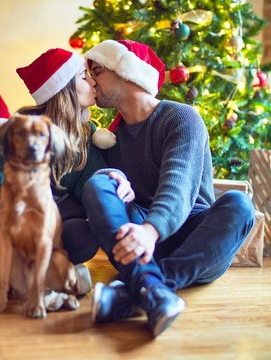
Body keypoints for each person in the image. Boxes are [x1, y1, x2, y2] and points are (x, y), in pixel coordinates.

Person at [81, 40, 255, 337]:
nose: (91, 81)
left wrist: (150, 231)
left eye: (96, 71)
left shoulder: (181, 117)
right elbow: (90, 192)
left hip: (194, 242)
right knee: (100, 182)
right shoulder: (110, 138)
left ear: (125, 71)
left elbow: (178, 185)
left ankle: (141, 290)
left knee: (240, 206)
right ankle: (152, 288)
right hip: (136, 243)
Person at [0, 48, 133, 295]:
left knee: (85, 234)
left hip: (50, 231)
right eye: (84, 77)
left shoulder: (86, 136)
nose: (93, 81)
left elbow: (94, 183)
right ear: (63, 88)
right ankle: (49, 272)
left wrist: (115, 178)